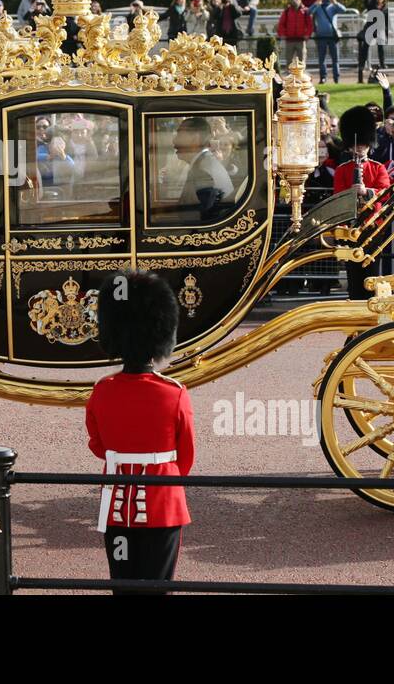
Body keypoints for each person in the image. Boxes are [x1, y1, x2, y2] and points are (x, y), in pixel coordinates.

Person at [87, 269, 194, 594]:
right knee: (158, 587)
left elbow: (98, 445)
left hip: (117, 507)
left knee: (123, 586)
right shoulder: (174, 393)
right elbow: (185, 456)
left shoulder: (102, 391)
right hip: (163, 504)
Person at [332, 106, 391, 299]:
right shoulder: (343, 170)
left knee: (372, 269)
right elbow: (338, 196)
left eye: (363, 144)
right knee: (353, 271)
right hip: (351, 227)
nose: (359, 148)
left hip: (373, 227)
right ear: (349, 145)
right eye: (356, 145)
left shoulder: (378, 167)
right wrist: (351, 193)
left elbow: (385, 193)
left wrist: (366, 192)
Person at [172, 117, 233, 223]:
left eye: (179, 134)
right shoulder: (204, 163)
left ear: (195, 139)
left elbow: (205, 223)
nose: (174, 141)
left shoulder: (203, 171)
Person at [309, 0, 346, 84]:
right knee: (322, 59)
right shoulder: (318, 7)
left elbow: (344, 10)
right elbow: (308, 12)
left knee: (335, 59)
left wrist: (335, 2)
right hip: (321, 36)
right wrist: (316, 3)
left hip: (333, 37)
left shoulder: (333, 7)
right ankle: (323, 77)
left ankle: (336, 78)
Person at [357, 0, 388, 82]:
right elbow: (366, 0)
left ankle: (383, 65)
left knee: (381, 48)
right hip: (370, 29)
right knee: (365, 48)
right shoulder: (371, 6)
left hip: (380, 30)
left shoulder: (386, 8)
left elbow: (387, 22)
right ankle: (361, 66)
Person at [276, 0, 312, 68]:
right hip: (289, 40)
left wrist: (307, 34)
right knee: (289, 60)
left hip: (301, 40)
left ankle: (302, 77)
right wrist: (282, 34)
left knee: (302, 60)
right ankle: (289, 77)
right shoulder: (286, 11)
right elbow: (281, 24)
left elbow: (310, 25)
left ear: (300, 1)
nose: (295, 1)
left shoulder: (305, 11)